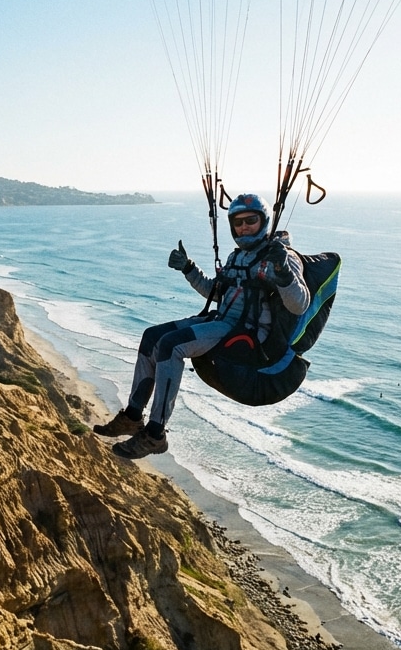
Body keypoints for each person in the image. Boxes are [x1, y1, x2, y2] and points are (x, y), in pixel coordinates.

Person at [94, 192, 310, 459]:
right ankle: (132, 416)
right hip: (221, 320)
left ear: (264, 221)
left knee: (171, 345)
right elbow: (216, 293)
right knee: (151, 336)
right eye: (238, 223)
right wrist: (188, 268)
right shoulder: (237, 257)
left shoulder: (282, 256)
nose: (243, 227)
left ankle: (155, 434)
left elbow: (300, 304)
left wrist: (284, 273)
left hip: (248, 332)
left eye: (250, 220)